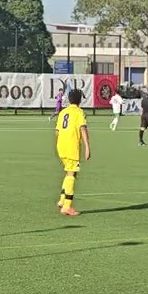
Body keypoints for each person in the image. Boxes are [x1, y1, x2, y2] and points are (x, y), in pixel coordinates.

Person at [55, 88, 91, 216]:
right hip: (71, 147)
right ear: (80, 100)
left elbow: (57, 132)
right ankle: (67, 207)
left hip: (61, 146)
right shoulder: (79, 112)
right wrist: (87, 147)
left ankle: (62, 199)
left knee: (70, 173)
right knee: (71, 174)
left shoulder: (63, 112)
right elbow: (83, 129)